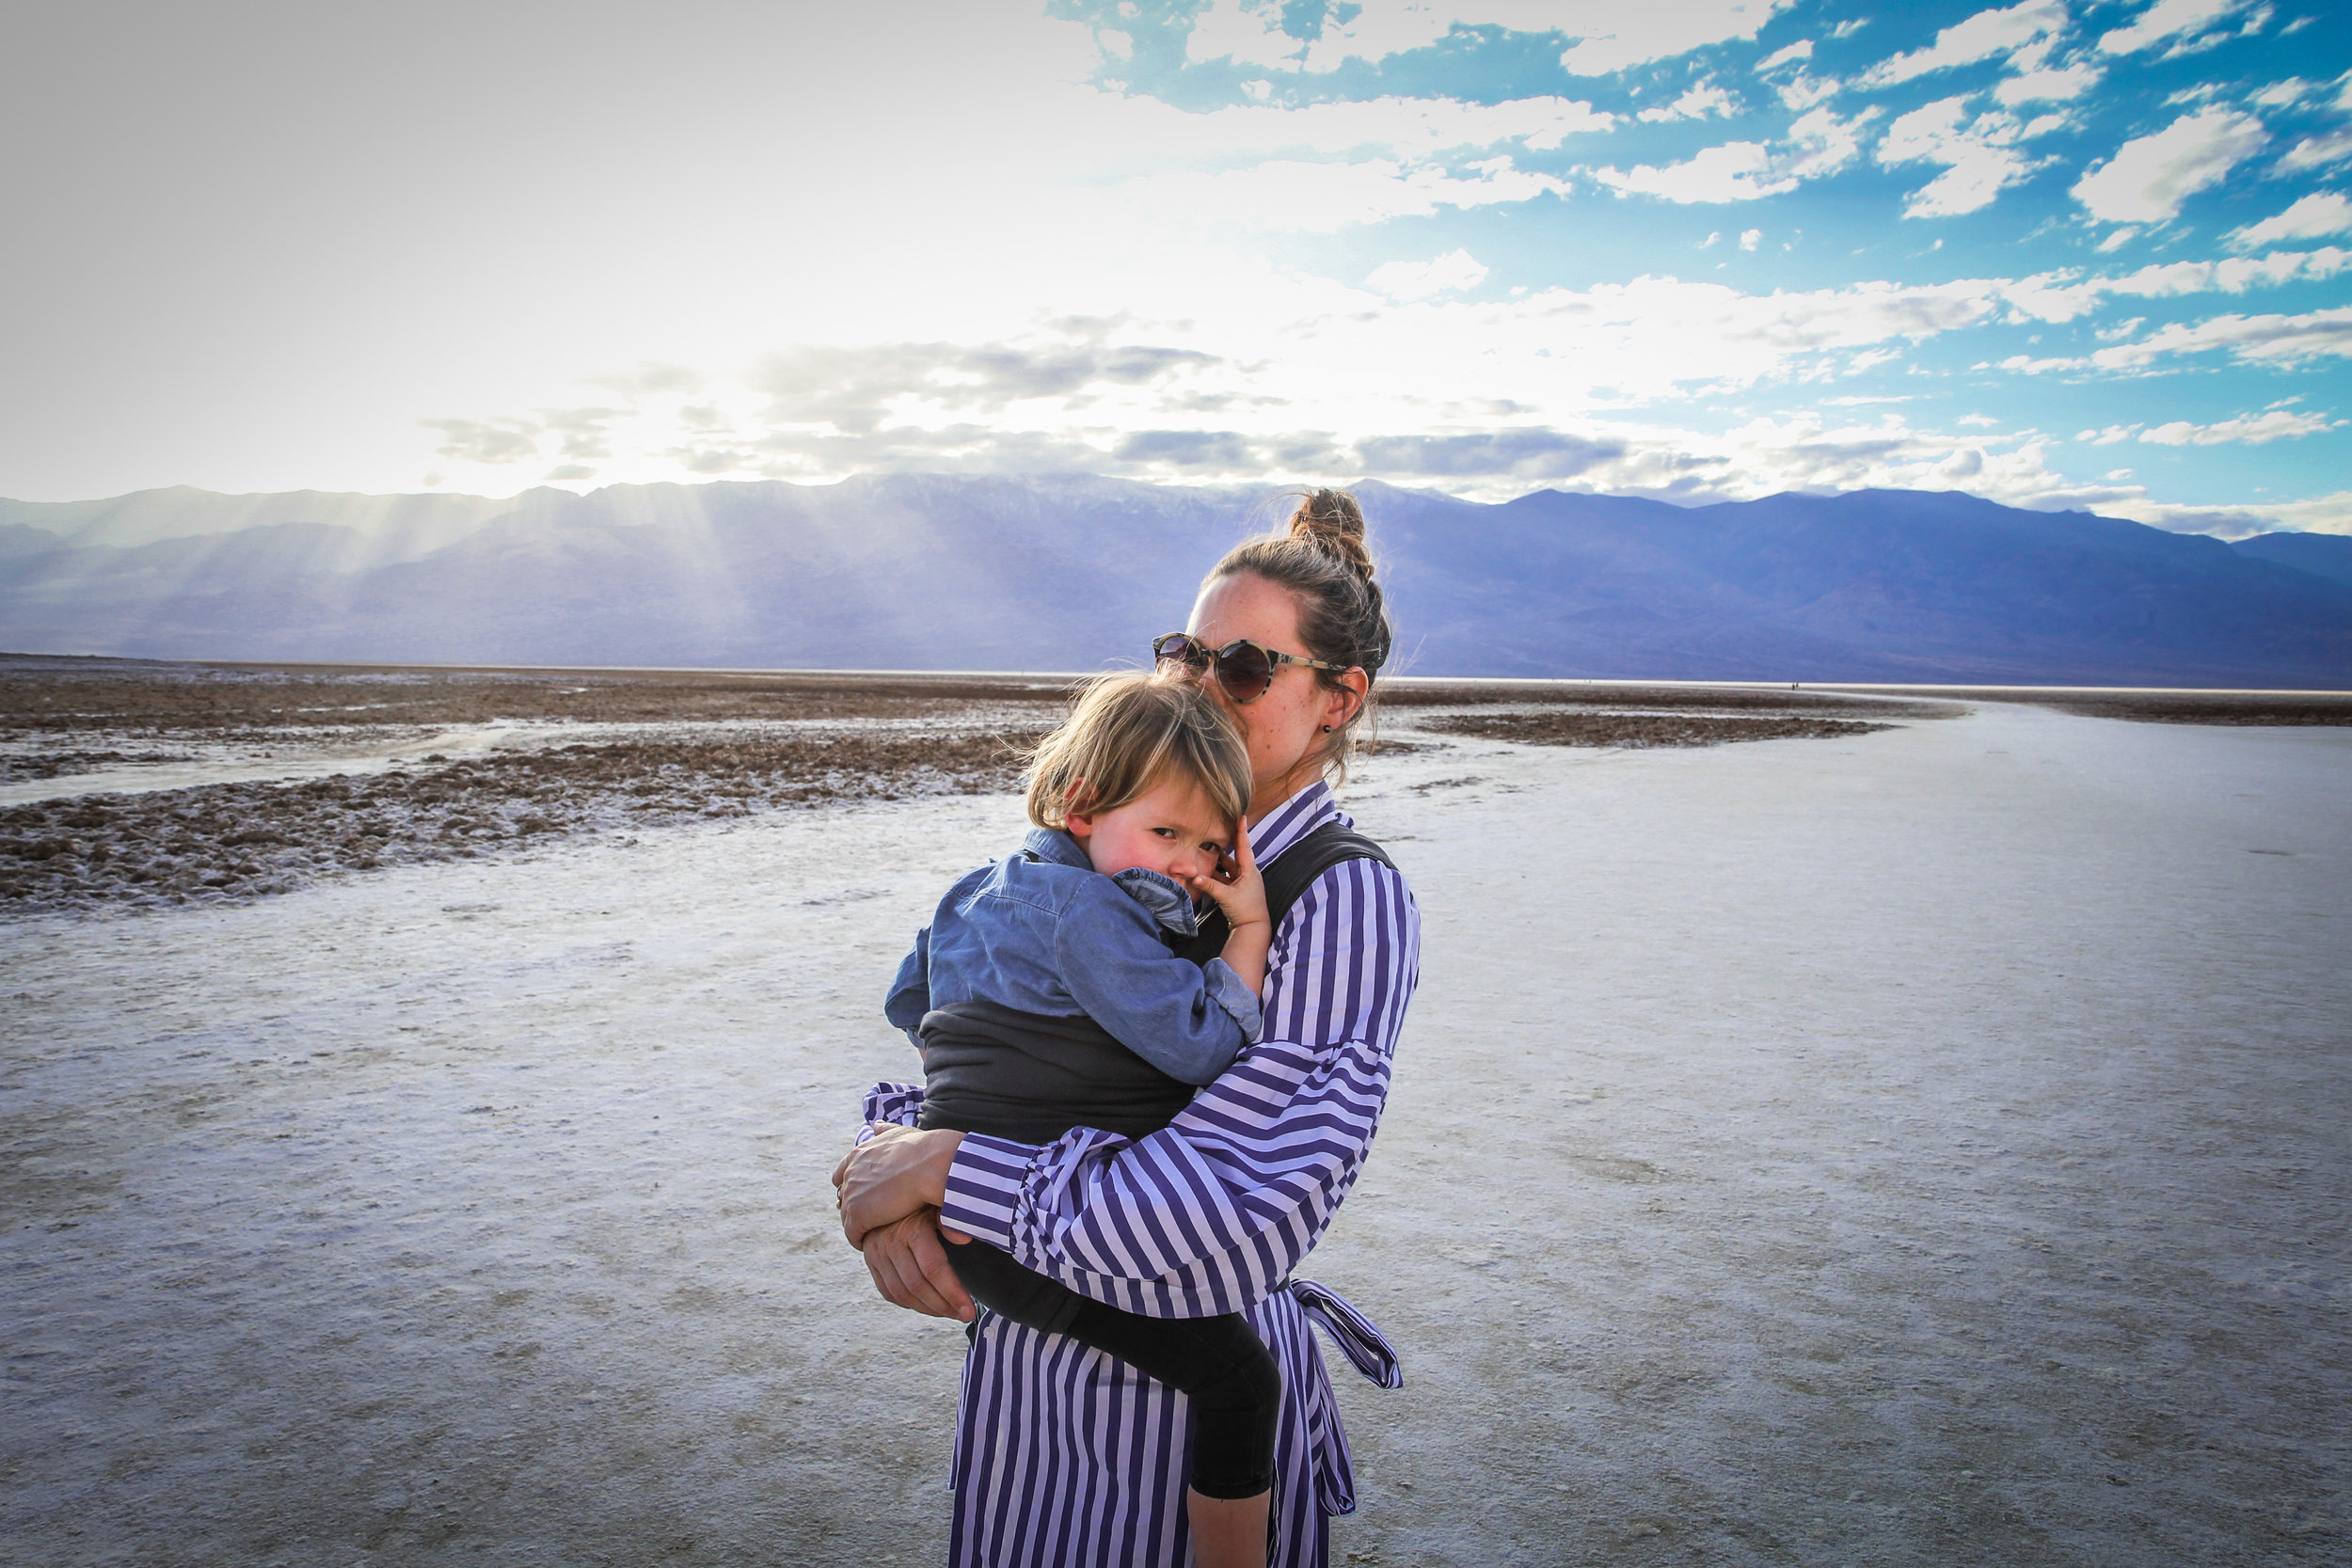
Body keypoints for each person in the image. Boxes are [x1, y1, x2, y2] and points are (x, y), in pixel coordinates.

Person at [834, 488, 1420, 1567]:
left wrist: (946, 1170)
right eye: (1182, 657)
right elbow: (963, 1037)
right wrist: (885, 1171)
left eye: (1240, 668)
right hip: (1024, 1405)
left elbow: (1232, 1207)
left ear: (1340, 700)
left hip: (1175, 1424)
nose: (1200, 687)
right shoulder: (1116, 853)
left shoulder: (1340, 900)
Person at [885, 673, 1286, 1565]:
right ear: (1080, 805)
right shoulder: (1091, 913)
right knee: (1241, 1382)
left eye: (1213, 847)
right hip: (1026, 1218)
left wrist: (978, 1071)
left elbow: (908, 1002)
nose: (1188, 864)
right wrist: (1248, 925)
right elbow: (1198, 1045)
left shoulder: (970, 889)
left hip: (971, 1209)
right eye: (1167, 832)